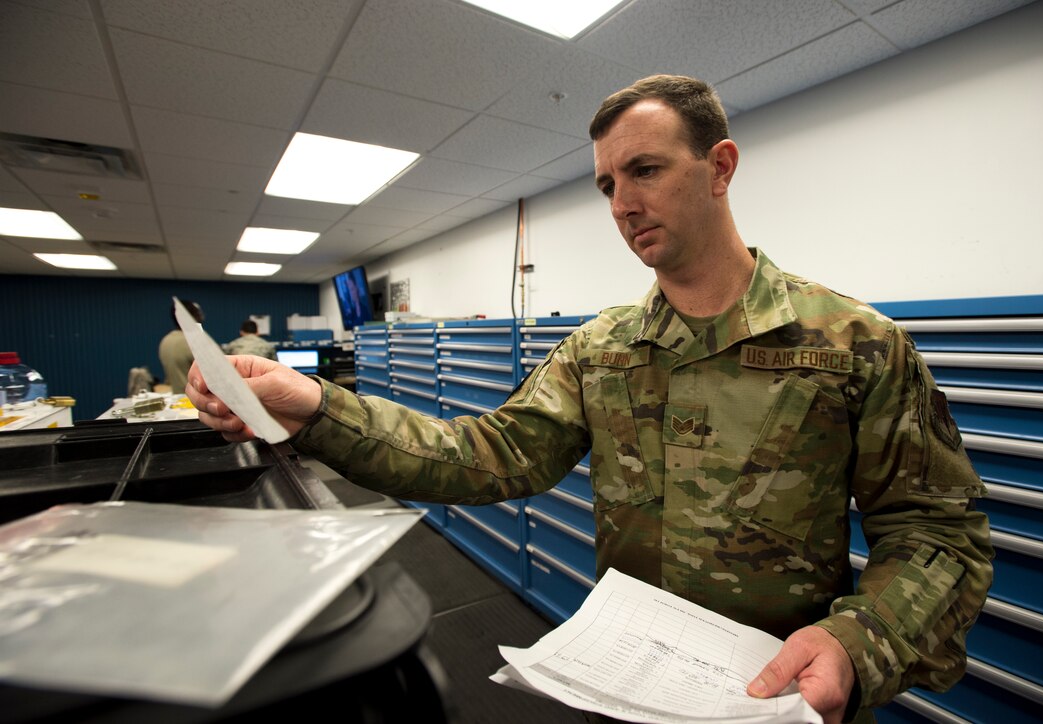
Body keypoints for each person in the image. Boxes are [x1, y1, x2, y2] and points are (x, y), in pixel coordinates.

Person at [188, 75, 993, 723]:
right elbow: (487, 456)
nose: (621, 203)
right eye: (608, 183)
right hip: (625, 693)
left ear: (719, 167)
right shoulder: (601, 349)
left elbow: (939, 535)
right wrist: (319, 405)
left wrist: (860, 640)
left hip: (777, 698)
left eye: (645, 170)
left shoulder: (854, 342)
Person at [158, 299, 203, 394]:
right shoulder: (193, 341)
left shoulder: (166, 340)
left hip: (177, 399)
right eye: (198, 313)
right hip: (194, 400)